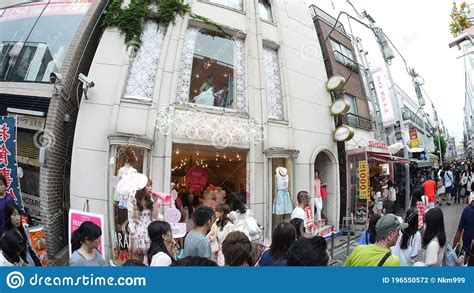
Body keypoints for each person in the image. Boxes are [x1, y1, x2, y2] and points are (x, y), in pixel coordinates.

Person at [128, 178, 158, 262]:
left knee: (151, 256)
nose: (150, 188)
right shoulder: (134, 199)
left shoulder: (151, 200)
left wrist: (155, 202)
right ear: (141, 187)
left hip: (149, 229)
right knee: (138, 258)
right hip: (138, 230)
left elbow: (154, 216)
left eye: (151, 185)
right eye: (148, 186)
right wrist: (135, 206)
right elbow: (135, 218)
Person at [3, 201, 41, 266]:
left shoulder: (23, 228)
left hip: (33, 261)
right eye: (14, 215)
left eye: (19, 214)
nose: (18, 218)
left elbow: (31, 246)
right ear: (8, 216)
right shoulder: (8, 237)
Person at [453, 189, 474, 262]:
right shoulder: (467, 210)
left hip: (467, 249)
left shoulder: (467, 210)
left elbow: (459, 230)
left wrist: (453, 248)